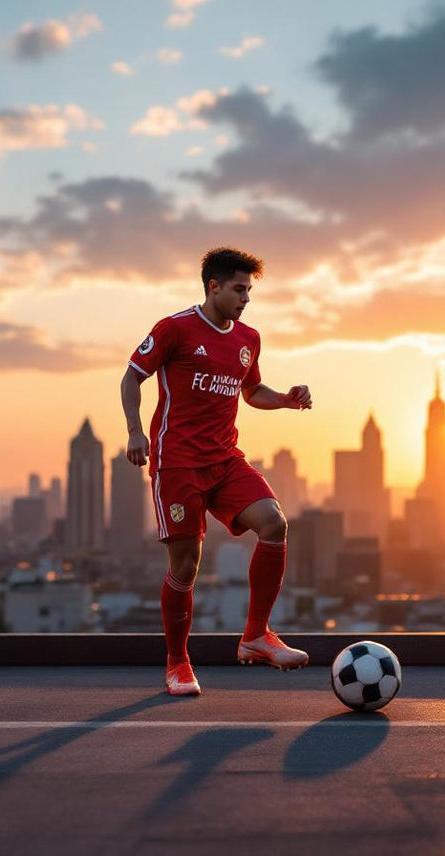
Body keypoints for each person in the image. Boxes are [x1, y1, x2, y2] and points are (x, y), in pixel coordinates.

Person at [120, 247, 313, 696]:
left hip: (225, 461)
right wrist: (134, 432)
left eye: (249, 290)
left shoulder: (248, 339)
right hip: (178, 463)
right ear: (214, 287)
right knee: (186, 565)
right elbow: (131, 377)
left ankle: (256, 637)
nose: (247, 298)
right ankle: (178, 663)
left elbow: (251, 390)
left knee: (274, 523)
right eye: (239, 289)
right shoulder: (175, 329)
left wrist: (284, 398)